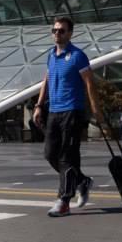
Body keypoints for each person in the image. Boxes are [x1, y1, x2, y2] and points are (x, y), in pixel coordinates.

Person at [32, 17, 102, 218]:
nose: (57, 34)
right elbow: (46, 80)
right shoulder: (51, 55)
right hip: (54, 111)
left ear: (70, 33)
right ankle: (82, 181)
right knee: (50, 154)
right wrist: (38, 105)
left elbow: (89, 83)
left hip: (72, 111)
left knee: (67, 157)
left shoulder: (78, 56)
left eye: (61, 31)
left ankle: (64, 200)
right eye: (54, 30)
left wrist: (96, 109)